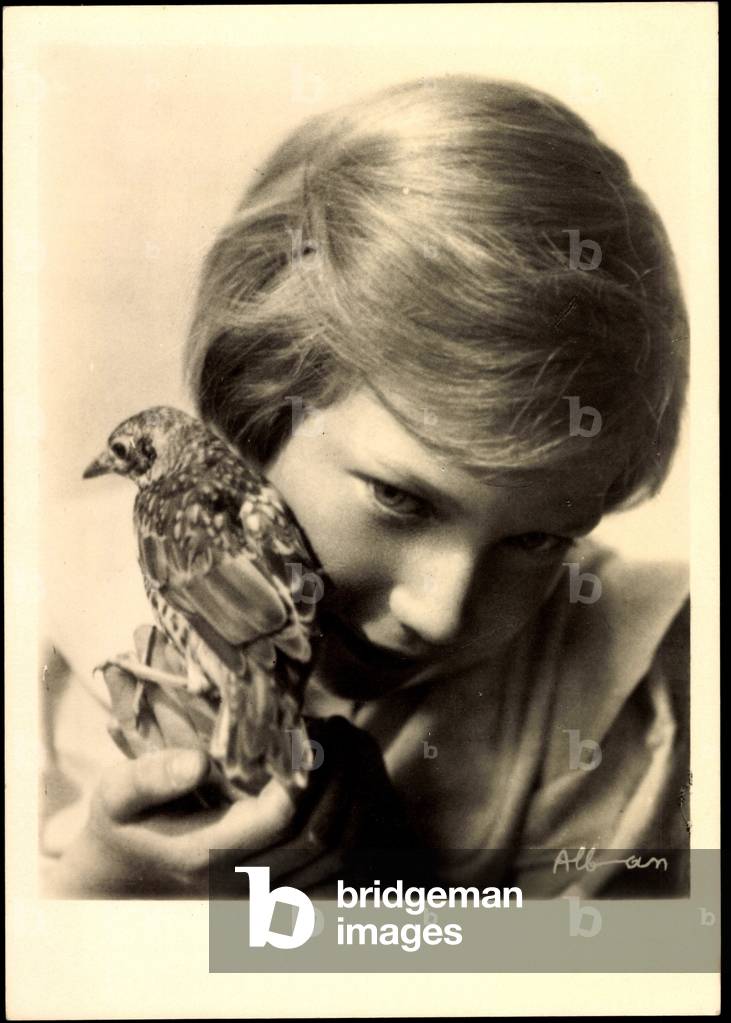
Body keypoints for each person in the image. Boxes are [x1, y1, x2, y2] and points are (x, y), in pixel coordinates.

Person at [44, 76, 690, 899]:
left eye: (537, 539)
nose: (440, 610)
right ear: (254, 413)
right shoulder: (57, 607)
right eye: (399, 498)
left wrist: (382, 897)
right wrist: (106, 879)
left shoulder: (619, 699)